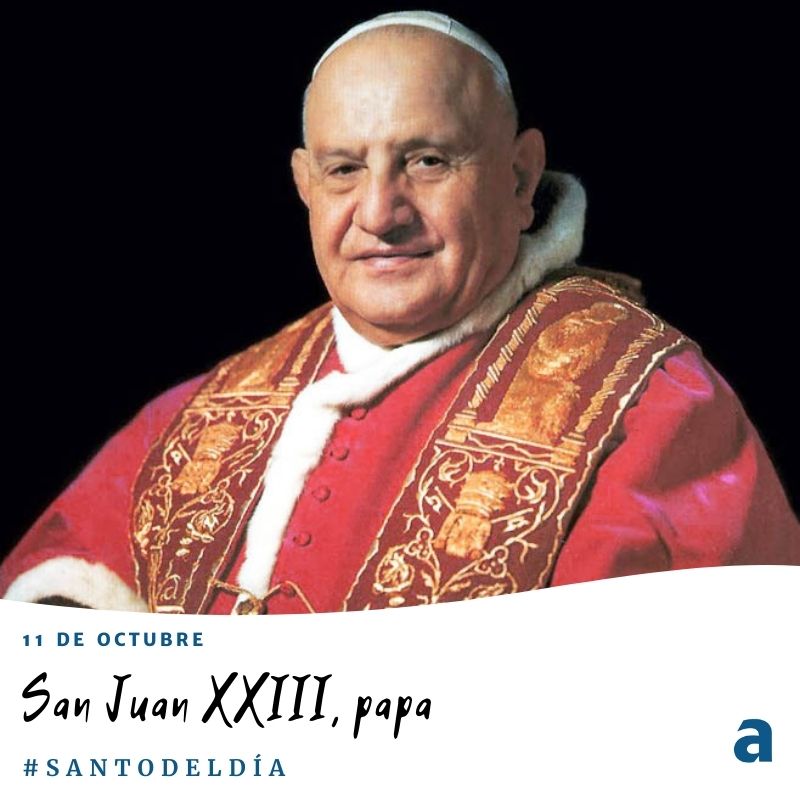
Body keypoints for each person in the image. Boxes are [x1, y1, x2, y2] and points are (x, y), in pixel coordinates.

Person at [2, 11, 797, 614]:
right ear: (304, 185)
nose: (380, 213)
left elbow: (701, 701)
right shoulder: (196, 414)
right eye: (344, 170)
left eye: (427, 161)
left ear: (520, 179)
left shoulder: (649, 405)